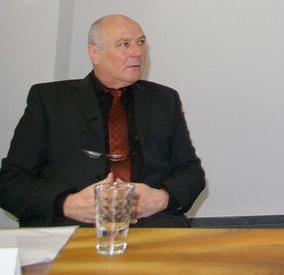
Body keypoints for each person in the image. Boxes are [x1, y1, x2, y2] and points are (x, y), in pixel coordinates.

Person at [0, 15, 205, 227]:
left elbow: (191, 172)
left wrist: (161, 198)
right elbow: (11, 182)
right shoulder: (49, 100)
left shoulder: (164, 100)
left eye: (141, 42)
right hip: (70, 227)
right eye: (124, 44)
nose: (138, 52)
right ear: (94, 53)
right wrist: (67, 204)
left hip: (151, 225)